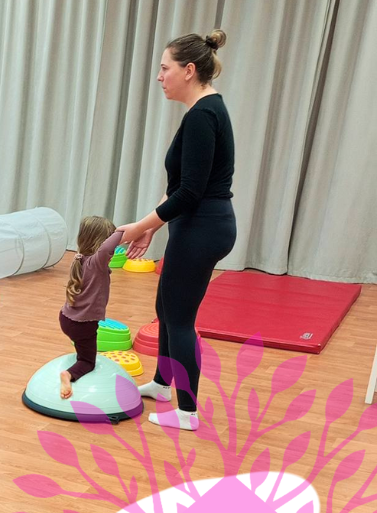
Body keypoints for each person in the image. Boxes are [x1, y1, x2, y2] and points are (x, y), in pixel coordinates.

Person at [118, 29, 236, 431]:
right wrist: (154, 227)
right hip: (197, 224)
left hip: (203, 227)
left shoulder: (203, 115)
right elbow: (182, 187)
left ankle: (187, 412)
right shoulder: (205, 110)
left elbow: (189, 193)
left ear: (188, 71)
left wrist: (140, 225)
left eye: (165, 68)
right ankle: (161, 383)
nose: (159, 76)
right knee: (165, 309)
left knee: (181, 319)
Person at [58, 216, 123, 398]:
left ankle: (80, 349)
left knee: (82, 344)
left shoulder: (79, 259)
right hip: (83, 324)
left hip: (67, 318)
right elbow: (108, 248)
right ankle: (68, 374)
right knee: (88, 361)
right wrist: (124, 232)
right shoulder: (96, 263)